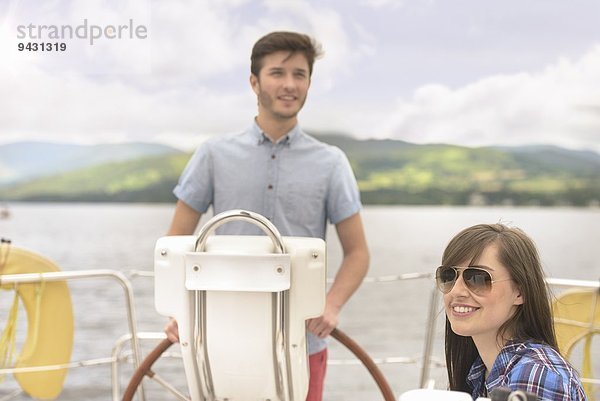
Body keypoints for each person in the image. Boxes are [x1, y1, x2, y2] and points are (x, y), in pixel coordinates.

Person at [164, 31, 370, 401]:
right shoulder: (212, 154)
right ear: (254, 82)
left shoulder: (332, 162)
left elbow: (358, 253)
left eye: (300, 74)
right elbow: (176, 244)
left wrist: (332, 305)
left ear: (309, 83)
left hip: (302, 344)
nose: (290, 84)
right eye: (278, 73)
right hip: (219, 340)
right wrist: (180, 311)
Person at [435, 223, 587, 401]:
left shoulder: (534, 374)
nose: (456, 291)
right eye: (448, 276)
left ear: (520, 292)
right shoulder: (481, 372)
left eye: (478, 278)